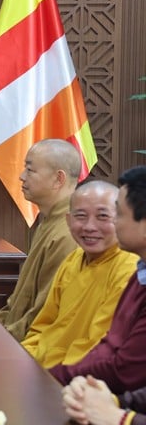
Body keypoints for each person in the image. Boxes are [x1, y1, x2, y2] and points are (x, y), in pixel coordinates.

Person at [21, 180, 138, 368]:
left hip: (79, 378)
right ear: (68, 220)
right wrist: (20, 360)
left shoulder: (128, 269)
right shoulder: (73, 260)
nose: (90, 227)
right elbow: (42, 326)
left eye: (102, 216)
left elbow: (100, 346)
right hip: (41, 369)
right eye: (81, 216)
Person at [50, 166, 146, 394]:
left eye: (117, 215)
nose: (115, 224)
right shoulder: (140, 275)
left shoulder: (126, 268)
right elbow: (110, 345)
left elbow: (124, 369)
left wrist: (49, 379)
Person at [0, 139, 81, 341]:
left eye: (30, 170)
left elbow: (44, 314)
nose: (21, 176)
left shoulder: (69, 233)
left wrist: (0, 339)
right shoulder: (48, 222)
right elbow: (18, 303)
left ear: (58, 179)